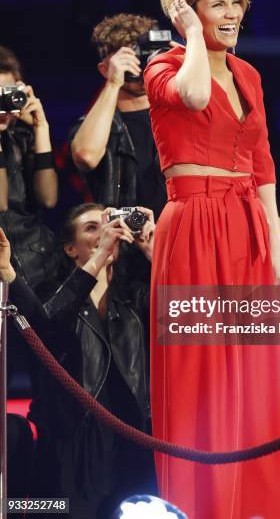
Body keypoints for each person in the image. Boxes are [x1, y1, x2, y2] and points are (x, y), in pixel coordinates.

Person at [143, 0, 280, 518]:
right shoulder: (165, 65)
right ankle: (201, 507)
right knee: (200, 376)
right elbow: (196, 96)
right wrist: (188, 39)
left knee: (254, 380)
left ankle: (256, 506)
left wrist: (275, 244)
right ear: (187, 10)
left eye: (237, 4)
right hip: (194, 226)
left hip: (248, 226)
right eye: (218, 6)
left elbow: (263, 160)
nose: (232, 15)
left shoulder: (250, 74)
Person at [0, 204, 155, 518]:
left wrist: (155, 253)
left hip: (130, 448)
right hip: (69, 454)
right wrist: (99, 258)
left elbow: (194, 316)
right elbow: (47, 328)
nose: (104, 233)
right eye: (91, 228)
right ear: (71, 249)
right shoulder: (50, 297)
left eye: (107, 224)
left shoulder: (136, 298)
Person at [70, 14, 167, 223]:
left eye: (145, 55)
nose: (141, 64)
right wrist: (113, 83)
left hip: (175, 236)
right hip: (120, 242)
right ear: (105, 69)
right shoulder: (97, 125)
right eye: (132, 56)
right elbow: (86, 156)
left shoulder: (177, 115)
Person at [0, 46, 59, 297]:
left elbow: (48, 198)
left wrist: (41, 127)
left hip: (37, 263)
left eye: (7, 92)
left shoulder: (22, 138)